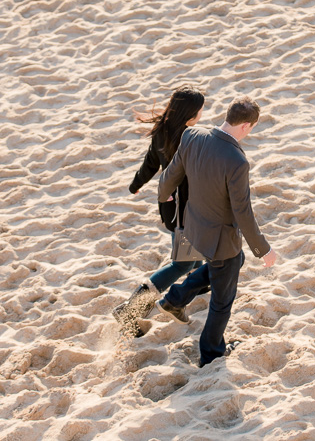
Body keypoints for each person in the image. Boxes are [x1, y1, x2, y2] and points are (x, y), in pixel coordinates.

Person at [154, 96, 278, 367]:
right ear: (246, 126)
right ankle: (211, 353)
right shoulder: (236, 160)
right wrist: (263, 249)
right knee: (222, 301)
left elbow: (171, 174)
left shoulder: (192, 135)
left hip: (193, 228)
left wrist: (164, 195)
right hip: (220, 241)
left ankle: (176, 298)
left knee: (232, 263)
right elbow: (242, 212)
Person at [112, 85, 207, 337]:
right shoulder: (189, 138)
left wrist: (136, 184)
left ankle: (199, 284)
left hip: (171, 207)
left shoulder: (163, 131)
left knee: (192, 255)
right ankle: (130, 309)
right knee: (182, 263)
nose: (201, 115)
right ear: (190, 115)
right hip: (185, 210)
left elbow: (150, 163)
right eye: (200, 111)